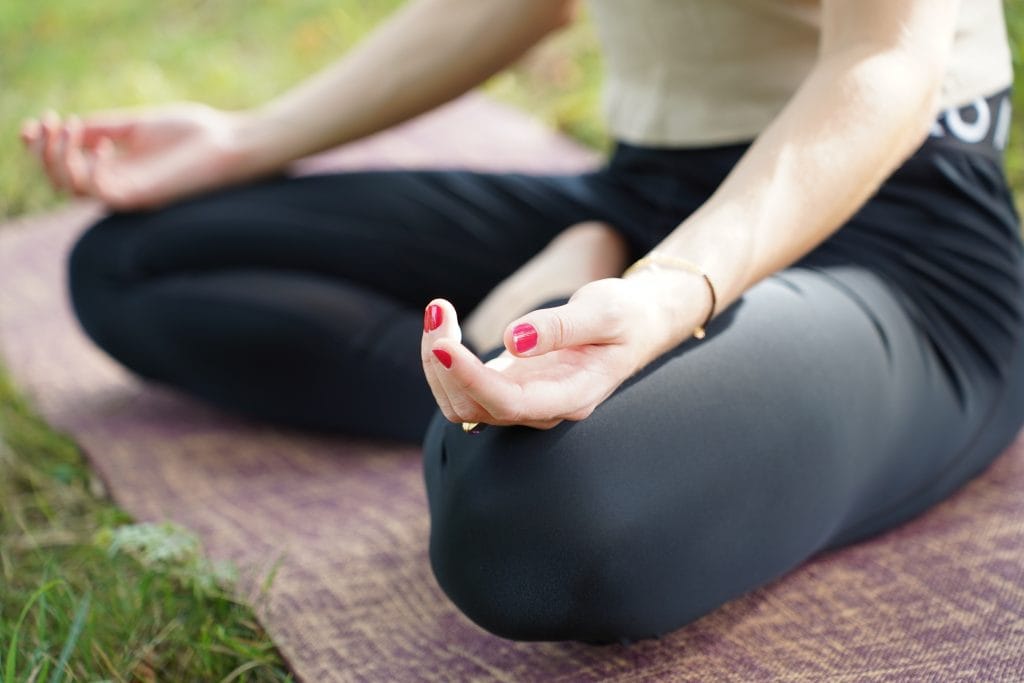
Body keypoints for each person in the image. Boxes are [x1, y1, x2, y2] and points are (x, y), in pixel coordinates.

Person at [22, 0, 1024, 643]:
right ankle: (508, 341)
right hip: (651, 190)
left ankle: (534, 322)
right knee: (134, 259)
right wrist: (246, 139)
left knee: (531, 528)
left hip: (895, 237)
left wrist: (670, 288)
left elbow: (886, 63)